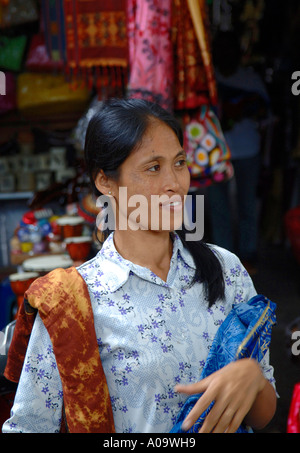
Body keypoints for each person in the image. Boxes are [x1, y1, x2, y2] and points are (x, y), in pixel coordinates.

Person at [2, 98, 276, 433]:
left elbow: (264, 415)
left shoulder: (226, 269)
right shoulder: (73, 302)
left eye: (179, 163)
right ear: (105, 182)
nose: (174, 183)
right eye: (153, 168)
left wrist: (253, 379)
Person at [208, 31, 270, 275]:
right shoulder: (208, 80)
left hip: (248, 151)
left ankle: (248, 255)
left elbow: (266, 118)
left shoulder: (251, 79)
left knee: (247, 205)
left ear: (238, 53)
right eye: (220, 49)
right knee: (218, 207)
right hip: (213, 156)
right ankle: (224, 260)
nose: (225, 54)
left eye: (229, 49)